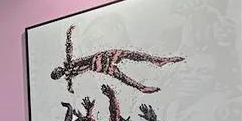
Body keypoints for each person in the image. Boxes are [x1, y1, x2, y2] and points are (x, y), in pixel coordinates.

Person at [51, 24, 185, 94]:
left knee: (123, 72)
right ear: (58, 72)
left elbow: (70, 85)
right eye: (57, 72)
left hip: (99, 66)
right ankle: (155, 63)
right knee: (128, 57)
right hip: (100, 59)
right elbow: (69, 49)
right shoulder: (69, 66)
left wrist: (70, 88)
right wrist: (68, 35)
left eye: (56, 71)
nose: (58, 70)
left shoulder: (69, 75)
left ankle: (141, 86)